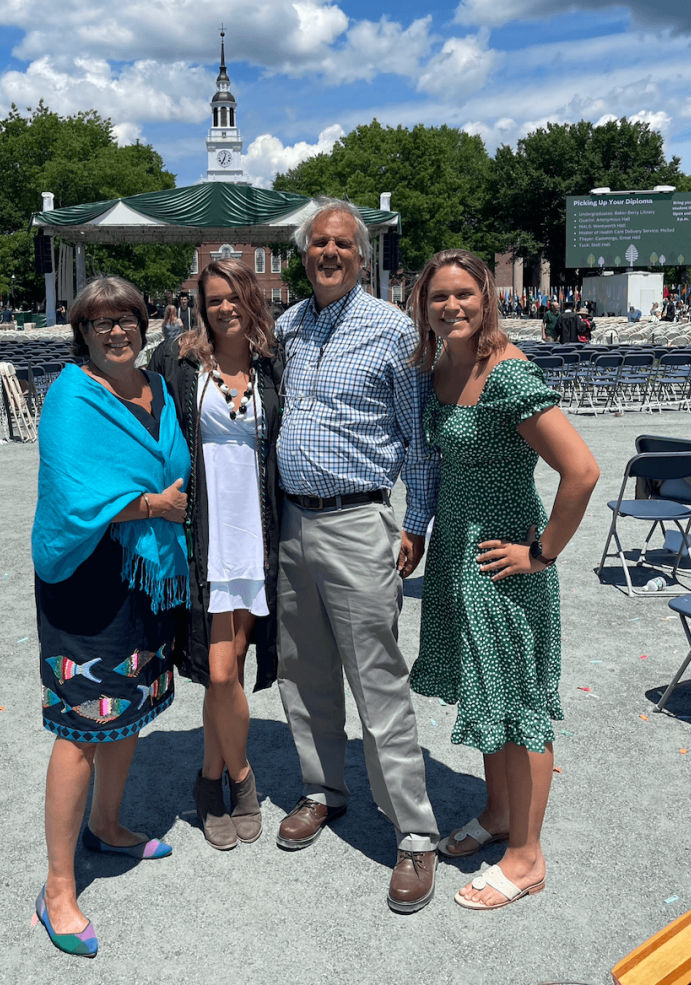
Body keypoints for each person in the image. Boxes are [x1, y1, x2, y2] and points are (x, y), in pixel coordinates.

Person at [408, 249, 599, 910]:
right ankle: (496, 814)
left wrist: (541, 555)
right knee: (483, 691)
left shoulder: (506, 373)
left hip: (501, 559)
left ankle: (526, 856)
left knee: (518, 706)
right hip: (457, 557)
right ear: (423, 304)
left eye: (463, 294)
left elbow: (581, 470)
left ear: (486, 298)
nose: (451, 306)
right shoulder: (440, 364)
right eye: (438, 296)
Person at [273, 198, 440, 914]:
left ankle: (414, 833)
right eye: (318, 243)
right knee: (303, 673)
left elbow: (415, 438)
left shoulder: (392, 330)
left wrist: (417, 522)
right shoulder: (287, 326)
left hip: (356, 521)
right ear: (303, 253)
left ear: (361, 256)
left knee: (377, 683)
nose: (329, 252)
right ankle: (323, 790)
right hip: (289, 523)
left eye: (342, 243)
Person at [31, 276, 191, 957]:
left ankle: (108, 822)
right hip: (88, 580)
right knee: (79, 728)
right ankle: (58, 888)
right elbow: (73, 500)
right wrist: (154, 507)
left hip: (147, 578)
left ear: (145, 321)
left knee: (128, 709)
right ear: (83, 333)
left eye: (126, 318)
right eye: (100, 323)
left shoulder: (158, 389)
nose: (116, 331)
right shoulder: (72, 396)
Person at [149, 260, 283, 851]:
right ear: (200, 304)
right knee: (221, 670)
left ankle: (208, 780)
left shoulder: (271, 363)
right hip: (203, 535)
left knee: (230, 668)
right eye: (214, 299)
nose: (226, 308)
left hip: (256, 533)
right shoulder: (175, 362)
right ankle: (241, 777)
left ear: (251, 299)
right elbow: (144, 428)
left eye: (235, 297)